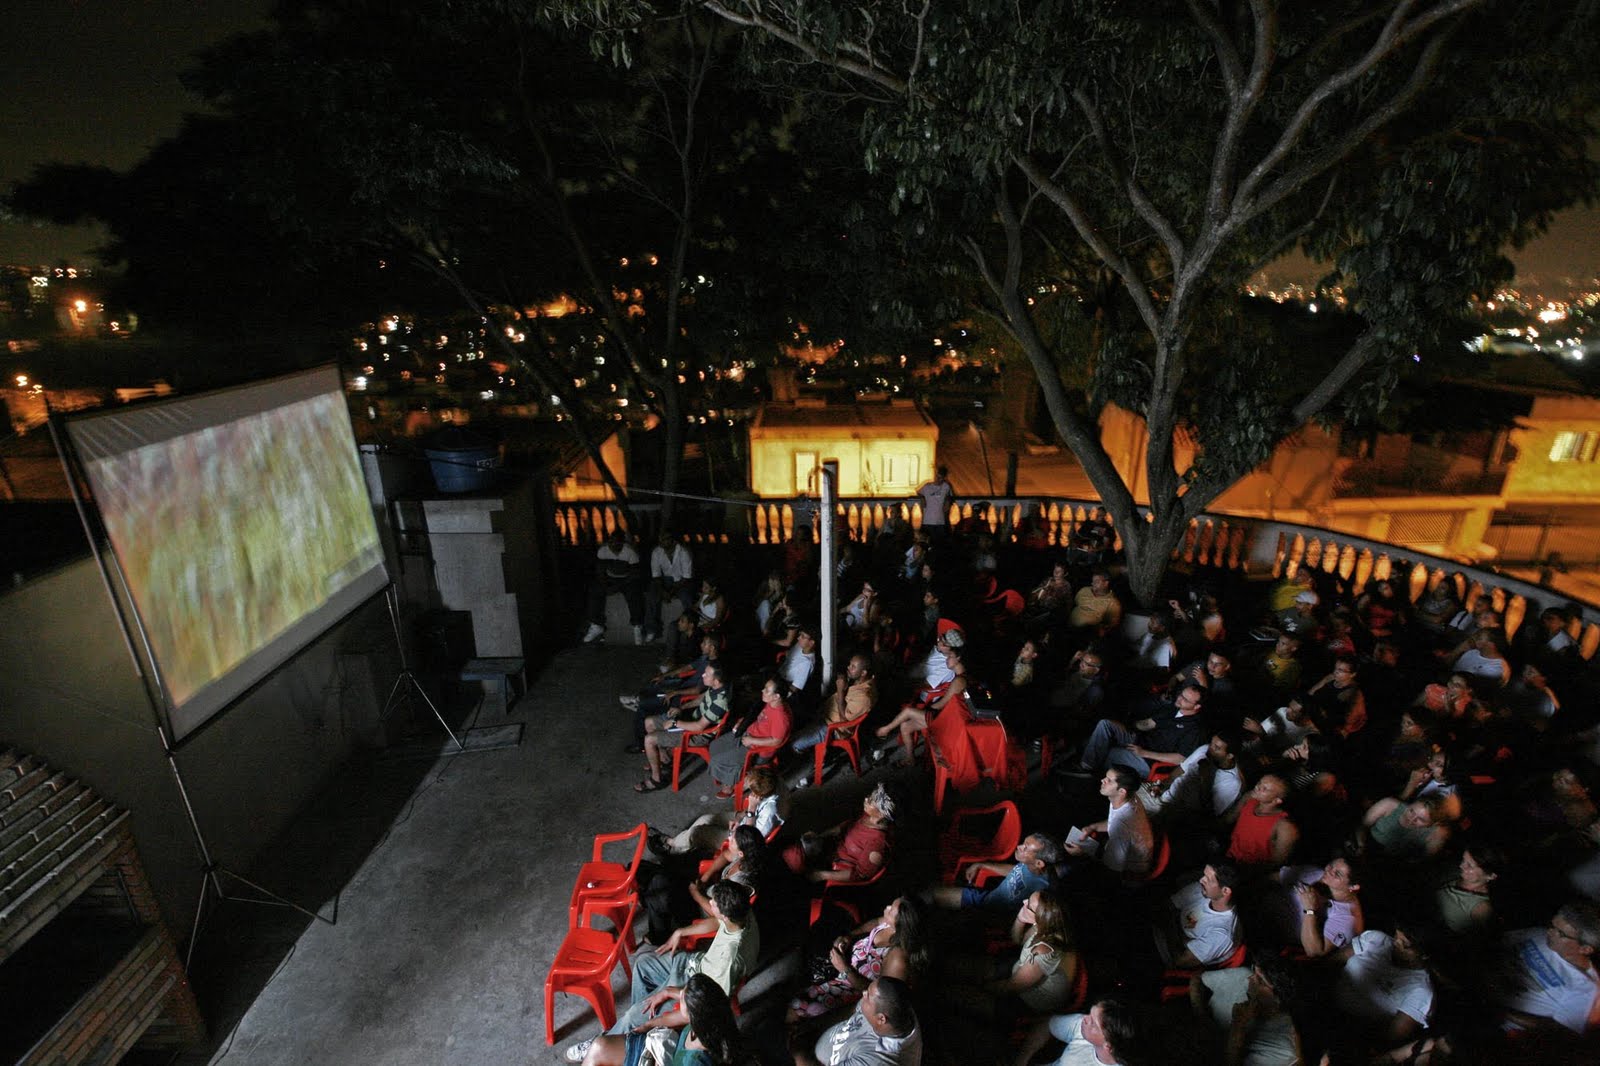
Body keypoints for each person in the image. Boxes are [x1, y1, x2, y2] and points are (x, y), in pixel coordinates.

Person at [564, 881, 758, 1061]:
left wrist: (669, 992)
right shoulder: (740, 911)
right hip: (694, 963)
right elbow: (717, 922)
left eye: (713, 903)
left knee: (633, 1015)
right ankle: (634, 1031)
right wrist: (680, 932)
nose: (710, 903)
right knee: (642, 965)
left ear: (725, 915)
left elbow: (710, 1002)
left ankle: (610, 1038)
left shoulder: (729, 960)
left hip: (694, 982)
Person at [788, 897, 928, 1023]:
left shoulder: (897, 958)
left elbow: (880, 998)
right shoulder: (888, 924)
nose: (887, 907)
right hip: (839, 972)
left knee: (797, 1007)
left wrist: (844, 969)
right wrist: (849, 936)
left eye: (891, 910)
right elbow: (875, 922)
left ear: (901, 923)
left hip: (853, 996)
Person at [572, 973, 745, 1066]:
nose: (679, 997)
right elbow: (671, 1018)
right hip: (660, 1051)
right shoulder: (711, 1019)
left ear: (695, 1015)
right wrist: (647, 1025)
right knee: (599, 1046)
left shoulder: (697, 1061)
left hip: (660, 1059)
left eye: (682, 1000)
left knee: (599, 1056)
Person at [1499, 901, 1600, 1035]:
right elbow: (1497, 944)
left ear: (1585, 949)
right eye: (1552, 926)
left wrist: (1501, 1012)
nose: (1550, 932)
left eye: (1560, 933)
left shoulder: (1585, 987)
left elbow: (1558, 1028)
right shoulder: (1538, 934)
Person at [1071, 682, 1209, 779]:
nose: (1180, 699)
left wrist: (1145, 753)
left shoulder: (1195, 728)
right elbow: (1148, 723)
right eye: (1181, 695)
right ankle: (1085, 763)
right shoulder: (1173, 708)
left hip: (1149, 760)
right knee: (1105, 725)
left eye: (1185, 699)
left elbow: (1181, 758)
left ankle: (1086, 771)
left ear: (1196, 706)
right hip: (1139, 741)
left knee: (1106, 752)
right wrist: (1125, 728)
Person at [1331, 925, 1435, 1052]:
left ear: (1423, 955)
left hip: (1353, 1033)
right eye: (1396, 936)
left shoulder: (1421, 992)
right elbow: (1333, 962)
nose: (1396, 943)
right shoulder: (1376, 939)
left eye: (1405, 945)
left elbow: (1392, 1037)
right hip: (1326, 999)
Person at [652, 765, 787, 857]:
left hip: (742, 839)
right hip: (745, 820)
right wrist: (739, 817)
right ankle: (678, 843)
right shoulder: (775, 781)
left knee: (696, 833)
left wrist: (751, 809)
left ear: (759, 795)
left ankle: (671, 847)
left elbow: (750, 839)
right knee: (706, 818)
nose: (749, 791)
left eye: (751, 790)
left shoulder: (770, 812)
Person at [1189, 959, 1304, 1066]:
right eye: (1254, 972)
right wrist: (1200, 1015)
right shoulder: (1243, 975)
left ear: (1278, 998)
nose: (1250, 978)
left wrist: (1238, 1025)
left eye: (1260, 980)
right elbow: (1196, 979)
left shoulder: (1283, 1047)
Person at [637, 664, 731, 793]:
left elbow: (699, 727)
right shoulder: (714, 688)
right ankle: (664, 758)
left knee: (649, 740)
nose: (703, 675)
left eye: (707, 674)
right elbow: (700, 699)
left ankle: (656, 779)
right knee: (649, 722)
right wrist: (681, 708)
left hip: (697, 735)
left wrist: (675, 723)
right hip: (690, 721)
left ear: (716, 680)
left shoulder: (720, 702)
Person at [791, 655, 878, 786]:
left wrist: (840, 690)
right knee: (795, 716)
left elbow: (844, 720)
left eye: (853, 667)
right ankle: (817, 755)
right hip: (825, 716)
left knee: (794, 745)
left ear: (863, 673)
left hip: (833, 728)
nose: (849, 667)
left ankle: (812, 765)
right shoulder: (858, 681)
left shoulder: (865, 697)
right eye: (850, 664)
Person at [784, 784, 895, 884]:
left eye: (871, 801)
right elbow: (846, 826)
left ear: (881, 814)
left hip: (839, 867)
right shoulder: (869, 817)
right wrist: (820, 836)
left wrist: (821, 875)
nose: (866, 799)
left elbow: (860, 874)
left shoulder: (876, 845)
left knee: (794, 861)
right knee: (792, 852)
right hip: (834, 848)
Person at [799, 976, 922, 1066]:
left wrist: (799, 1054)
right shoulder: (896, 1009)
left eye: (867, 996)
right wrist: (812, 1025)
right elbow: (852, 1011)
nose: (863, 994)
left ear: (881, 1019)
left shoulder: (880, 1060)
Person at [932, 833, 1062, 913]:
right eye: (1023, 843)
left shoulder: (1044, 891)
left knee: (933, 894)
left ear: (1039, 863)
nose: (1019, 847)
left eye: (1025, 848)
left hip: (987, 907)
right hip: (990, 896)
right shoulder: (1031, 864)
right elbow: (1015, 870)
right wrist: (982, 865)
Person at [1064, 767, 1154, 882]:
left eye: (1109, 780)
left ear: (1122, 791)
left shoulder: (1121, 827)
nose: (1103, 780)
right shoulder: (1129, 798)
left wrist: (1083, 854)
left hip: (1130, 871)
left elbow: (1111, 872)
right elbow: (1113, 821)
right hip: (1127, 849)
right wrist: (1093, 827)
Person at [708, 677, 791, 797]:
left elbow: (776, 741)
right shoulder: (771, 704)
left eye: (767, 690)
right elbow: (760, 720)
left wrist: (752, 740)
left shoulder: (781, 717)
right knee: (715, 746)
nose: (762, 691)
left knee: (717, 761)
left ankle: (730, 784)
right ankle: (729, 772)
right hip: (749, 735)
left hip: (756, 748)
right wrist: (742, 723)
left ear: (776, 696)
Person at [1011, 998, 1143, 1066]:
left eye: (1093, 1023)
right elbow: (1047, 1025)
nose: (1085, 1019)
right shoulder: (1083, 1026)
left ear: (1108, 1046)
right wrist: (1022, 1060)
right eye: (1090, 1014)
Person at [1160, 864, 1242, 967]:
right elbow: (1168, 905)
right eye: (1204, 875)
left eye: (1208, 879)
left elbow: (1180, 960)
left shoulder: (1222, 934)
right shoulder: (1203, 890)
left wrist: (1168, 924)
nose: (1201, 880)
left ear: (1225, 891)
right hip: (1173, 935)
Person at [1285, 856, 1364, 957]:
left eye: (1337, 874)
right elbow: (1276, 877)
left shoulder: (1347, 919)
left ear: (1353, 887)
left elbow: (1314, 952)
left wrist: (1309, 910)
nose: (1329, 871)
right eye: (1331, 865)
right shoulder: (1317, 873)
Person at [584, 529, 646, 645]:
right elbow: (600, 572)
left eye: (617, 542)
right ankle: (597, 625)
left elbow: (635, 574)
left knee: (634, 593)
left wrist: (618, 586)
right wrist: (605, 586)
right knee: (595, 590)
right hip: (610, 578)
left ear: (622, 543)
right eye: (611, 542)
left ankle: (637, 626)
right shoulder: (603, 551)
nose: (614, 544)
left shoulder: (630, 552)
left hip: (627, 579)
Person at [1225, 774, 1300, 869]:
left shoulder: (1284, 826)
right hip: (1229, 859)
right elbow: (1229, 818)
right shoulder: (1249, 799)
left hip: (1251, 870)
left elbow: (1278, 862)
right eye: (1259, 783)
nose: (1257, 787)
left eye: (1264, 789)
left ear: (1277, 800)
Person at [646, 531, 695, 643]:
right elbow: (656, 575)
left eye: (666, 539)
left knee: (687, 599)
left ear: (673, 540)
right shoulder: (657, 552)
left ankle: (690, 630)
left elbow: (686, 577)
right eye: (661, 539)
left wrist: (670, 593)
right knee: (651, 595)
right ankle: (652, 629)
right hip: (665, 580)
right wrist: (663, 591)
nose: (662, 542)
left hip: (681, 582)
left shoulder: (683, 552)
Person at [1068, 569, 1123, 636]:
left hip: (1087, 635)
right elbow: (1073, 603)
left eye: (1096, 582)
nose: (1092, 583)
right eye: (1092, 581)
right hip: (1069, 628)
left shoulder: (1113, 603)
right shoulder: (1084, 590)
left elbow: (1111, 625)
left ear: (1106, 583)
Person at [915, 465, 954, 543]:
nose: (938, 480)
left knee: (938, 542)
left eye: (941, 478)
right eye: (937, 477)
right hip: (927, 520)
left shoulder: (946, 487)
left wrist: (947, 504)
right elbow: (918, 492)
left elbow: (949, 498)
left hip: (940, 521)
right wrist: (923, 498)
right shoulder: (927, 486)